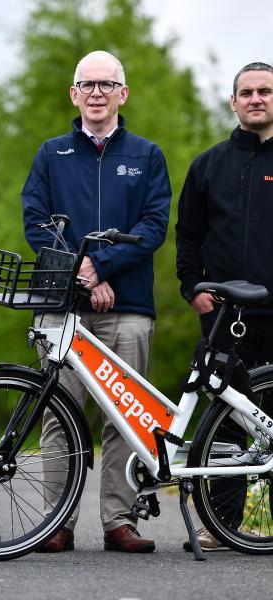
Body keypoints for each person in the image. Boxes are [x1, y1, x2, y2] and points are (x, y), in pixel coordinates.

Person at [22, 50, 171, 553]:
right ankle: (56, 521)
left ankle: (118, 521)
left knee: (125, 417)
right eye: (88, 85)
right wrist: (84, 275)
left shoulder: (147, 155)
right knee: (58, 414)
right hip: (63, 306)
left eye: (107, 85)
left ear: (122, 94)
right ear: (74, 93)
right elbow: (36, 223)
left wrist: (103, 266)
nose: (97, 93)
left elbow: (153, 228)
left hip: (128, 307)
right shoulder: (50, 153)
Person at [176, 61, 273, 551]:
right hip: (223, 317)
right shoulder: (208, 165)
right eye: (247, 92)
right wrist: (192, 286)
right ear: (233, 102)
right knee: (229, 419)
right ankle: (225, 525)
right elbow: (188, 235)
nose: (256, 99)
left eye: (265, 91)